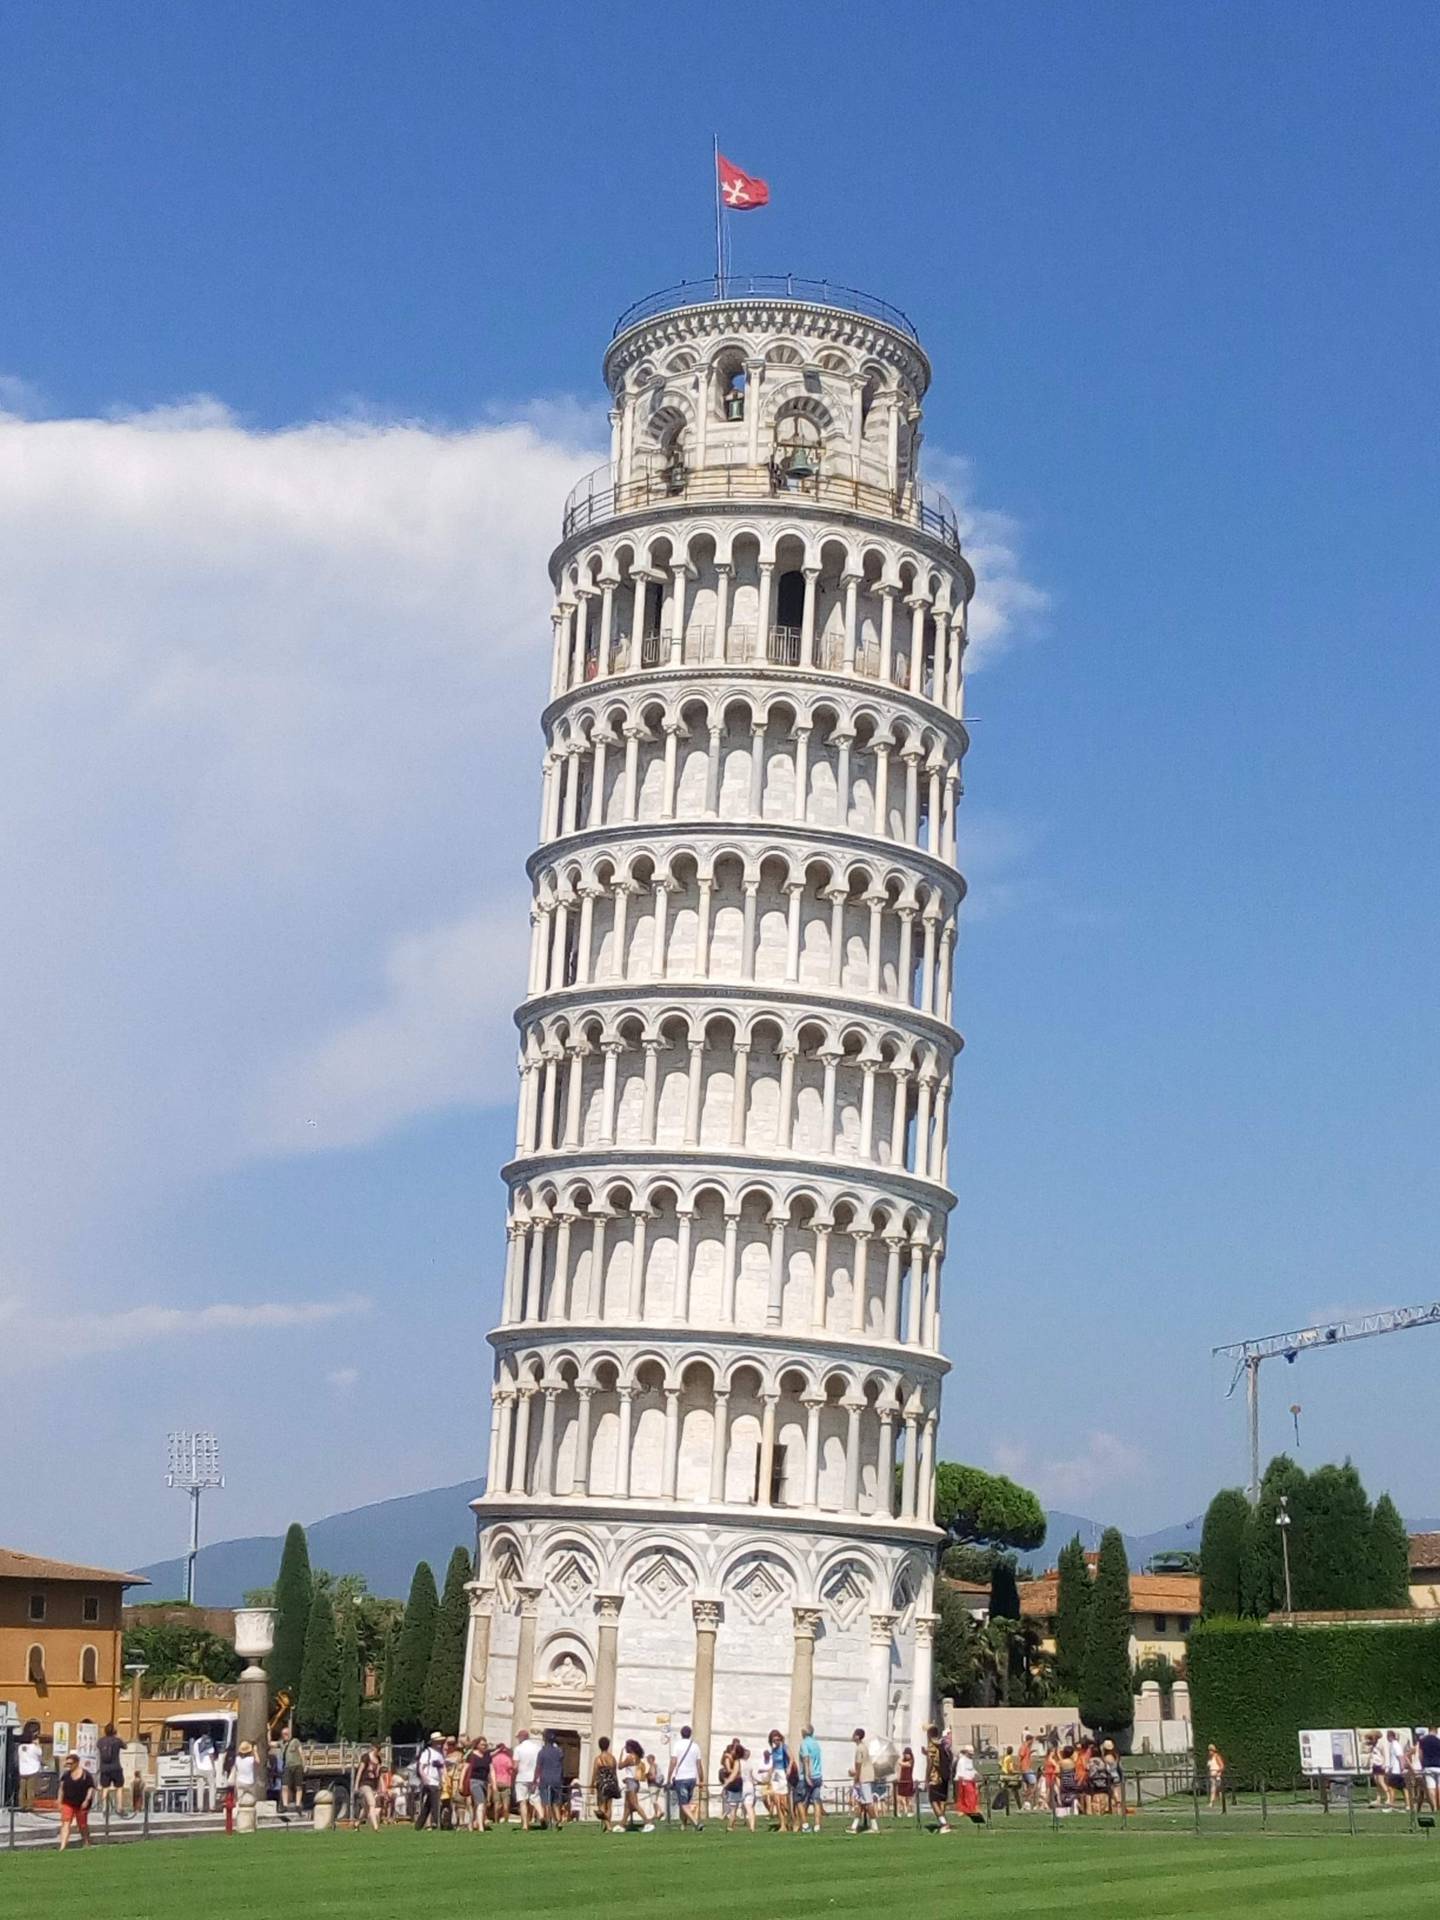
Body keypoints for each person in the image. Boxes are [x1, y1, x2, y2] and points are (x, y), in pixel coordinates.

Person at [667, 1722, 704, 1831]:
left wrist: (669, 1775)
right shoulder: (695, 1746)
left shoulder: (677, 1745)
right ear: (690, 1734)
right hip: (692, 1777)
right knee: (685, 1802)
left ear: (681, 1734)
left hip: (681, 1777)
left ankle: (696, 1823)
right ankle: (683, 1825)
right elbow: (699, 1764)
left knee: (683, 1804)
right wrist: (701, 1778)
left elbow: (673, 1761)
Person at [57, 1752, 95, 1850]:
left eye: (70, 1763)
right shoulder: (66, 1775)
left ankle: (86, 1841)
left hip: (81, 1803)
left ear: (77, 1763)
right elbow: (61, 1788)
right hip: (68, 1802)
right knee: (66, 1823)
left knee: (82, 1825)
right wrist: (59, 1800)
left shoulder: (86, 1775)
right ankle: (62, 1846)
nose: (68, 1766)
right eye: (67, 1763)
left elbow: (90, 1789)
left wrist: (87, 1800)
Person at [619, 1739, 654, 1831]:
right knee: (627, 1805)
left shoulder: (630, 1757)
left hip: (630, 1782)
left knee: (634, 1804)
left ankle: (647, 1822)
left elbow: (620, 1766)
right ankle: (622, 1824)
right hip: (634, 1782)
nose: (625, 1748)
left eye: (626, 1746)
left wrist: (621, 1754)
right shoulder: (637, 1757)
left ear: (630, 1747)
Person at [849, 1727, 878, 1834]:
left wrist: (856, 1778)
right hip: (866, 1776)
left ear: (857, 1736)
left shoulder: (859, 1748)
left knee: (868, 1802)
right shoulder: (863, 1747)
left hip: (864, 1777)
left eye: (854, 1734)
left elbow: (858, 1764)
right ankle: (854, 1826)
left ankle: (874, 1826)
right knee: (861, 1802)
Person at [720, 1742, 755, 1833]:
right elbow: (751, 1776)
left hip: (742, 1786)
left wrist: (726, 1784)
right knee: (749, 1807)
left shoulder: (737, 1762)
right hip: (750, 1786)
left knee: (733, 1807)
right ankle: (752, 1827)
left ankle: (730, 1826)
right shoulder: (748, 1762)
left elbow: (733, 1775)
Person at [414, 1731, 446, 1830]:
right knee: (435, 1802)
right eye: (438, 1742)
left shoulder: (440, 1755)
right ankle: (437, 1822)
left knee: (428, 1804)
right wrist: (425, 1778)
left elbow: (442, 1768)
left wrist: (443, 1779)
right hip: (429, 1781)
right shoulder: (427, 1752)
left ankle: (419, 1824)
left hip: (437, 1781)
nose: (440, 1744)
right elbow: (421, 1767)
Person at [513, 1726, 542, 1830]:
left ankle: (525, 1824)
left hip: (522, 1777)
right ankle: (542, 1815)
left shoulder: (518, 1749)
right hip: (535, 1777)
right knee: (535, 1798)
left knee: (523, 1801)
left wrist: (513, 1773)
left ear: (521, 1738)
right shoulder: (537, 1748)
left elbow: (515, 1766)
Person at [536, 1729, 566, 1830]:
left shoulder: (542, 1752)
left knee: (546, 1802)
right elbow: (561, 1765)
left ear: (544, 1739)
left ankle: (549, 1821)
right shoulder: (559, 1752)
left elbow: (538, 1767)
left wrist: (534, 1779)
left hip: (545, 1779)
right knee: (556, 1802)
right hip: (557, 1779)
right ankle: (558, 1820)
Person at [925, 1723, 952, 1832]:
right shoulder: (943, 1744)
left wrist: (926, 1777)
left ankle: (944, 1823)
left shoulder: (932, 1745)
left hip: (935, 1776)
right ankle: (942, 1821)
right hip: (945, 1775)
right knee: (942, 1799)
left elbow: (931, 1762)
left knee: (933, 1800)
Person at [797, 1722, 824, 1831]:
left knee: (799, 1800)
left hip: (807, 1776)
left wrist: (807, 1775)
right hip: (818, 1775)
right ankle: (817, 1825)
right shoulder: (816, 1743)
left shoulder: (804, 1743)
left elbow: (806, 1759)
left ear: (804, 1732)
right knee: (816, 1801)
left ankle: (805, 1825)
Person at [461, 1738, 490, 1833]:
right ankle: (480, 1826)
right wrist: (461, 1783)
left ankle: (470, 1825)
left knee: (475, 1805)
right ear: (477, 1745)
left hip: (484, 1782)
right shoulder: (471, 1755)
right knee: (480, 1803)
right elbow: (465, 1769)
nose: (484, 1746)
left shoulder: (487, 1756)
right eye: (482, 1744)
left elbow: (491, 1770)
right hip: (474, 1781)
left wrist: (493, 1783)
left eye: (485, 1745)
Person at [591, 1736, 620, 1832]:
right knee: (609, 1806)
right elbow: (615, 1771)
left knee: (602, 1806)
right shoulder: (612, 1758)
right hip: (612, 1781)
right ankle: (607, 1825)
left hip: (603, 1783)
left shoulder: (598, 1759)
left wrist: (592, 1784)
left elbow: (595, 1772)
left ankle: (608, 1826)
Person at [765, 1728, 792, 1831]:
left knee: (783, 1802)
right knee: (776, 1801)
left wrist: (789, 1767)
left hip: (783, 1773)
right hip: (776, 1774)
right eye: (774, 1740)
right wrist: (769, 1773)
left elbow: (791, 1758)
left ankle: (789, 1819)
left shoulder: (784, 1748)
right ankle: (782, 1825)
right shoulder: (773, 1750)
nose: (776, 1742)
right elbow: (774, 1764)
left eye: (777, 1739)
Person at [354, 1745, 383, 1831]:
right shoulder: (365, 1757)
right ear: (373, 1748)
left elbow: (378, 1776)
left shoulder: (378, 1760)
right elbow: (360, 1771)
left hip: (372, 1785)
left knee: (367, 1808)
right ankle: (376, 1827)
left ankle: (357, 1823)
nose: (378, 1751)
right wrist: (356, 1785)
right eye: (377, 1749)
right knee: (372, 1803)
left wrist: (378, 1788)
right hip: (364, 1784)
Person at [17, 1723, 43, 1813]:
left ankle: (22, 1805)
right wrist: (37, 1744)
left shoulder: (20, 1747)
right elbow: (40, 1753)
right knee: (30, 1789)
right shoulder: (33, 1747)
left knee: (22, 1789)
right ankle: (29, 1806)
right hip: (32, 1770)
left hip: (23, 1770)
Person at [954, 1743, 982, 1824]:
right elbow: (961, 1772)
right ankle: (967, 1810)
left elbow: (971, 1769)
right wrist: (963, 1781)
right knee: (968, 1796)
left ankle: (971, 1809)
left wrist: (977, 1774)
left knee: (973, 1795)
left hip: (971, 1780)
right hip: (965, 1781)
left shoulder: (969, 1760)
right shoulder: (962, 1761)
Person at [280, 1726, 305, 1813]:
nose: (285, 1735)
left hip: (297, 1765)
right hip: (287, 1767)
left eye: (287, 1733)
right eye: (283, 1734)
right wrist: (268, 1731)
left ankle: (298, 1805)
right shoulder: (282, 1743)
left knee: (298, 1786)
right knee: (284, 1786)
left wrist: (304, 1765)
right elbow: (270, 1743)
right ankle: (285, 1805)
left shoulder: (295, 1741)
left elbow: (301, 1752)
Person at [490, 1741, 514, 1822]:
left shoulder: (493, 1758)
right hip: (506, 1782)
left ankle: (496, 1820)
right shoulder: (507, 1758)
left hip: (496, 1782)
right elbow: (511, 1768)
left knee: (496, 1803)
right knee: (506, 1804)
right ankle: (505, 1820)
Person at [1417, 1726, 1440, 1809]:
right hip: (1438, 1765)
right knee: (1439, 1786)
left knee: (1431, 1787)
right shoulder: (1438, 1741)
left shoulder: (1423, 1741)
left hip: (1428, 1766)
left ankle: (1434, 1807)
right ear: (1436, 1731)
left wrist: (1422, 1764)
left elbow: (1420, 1754)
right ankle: (1439, 1805)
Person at [896, 1745, 916, 1819]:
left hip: (908, 1780)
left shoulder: (911, 1761)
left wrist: (899, 1761)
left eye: (907, 1754)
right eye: (905, 1754)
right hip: (902, 1780)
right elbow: (900, 1767)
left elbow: (906, 1765)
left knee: (909, 1797)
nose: (906, 1755)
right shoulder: (902, 1760)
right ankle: (900, 1811)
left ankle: (911, 1811)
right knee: (900, 1797)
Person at [1206, 1742, 1226, 1810]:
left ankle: (1213, 1803)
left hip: (1217, 1775)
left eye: (1210, 1750)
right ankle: (1219, 1803)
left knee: (1215, 1789)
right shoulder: (1210, 1758)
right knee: (1216, 1789)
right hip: (1212, 1776)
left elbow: (1222, 1766)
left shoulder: (1217, 1757)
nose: (1209, 1752)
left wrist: (1217, 1772)